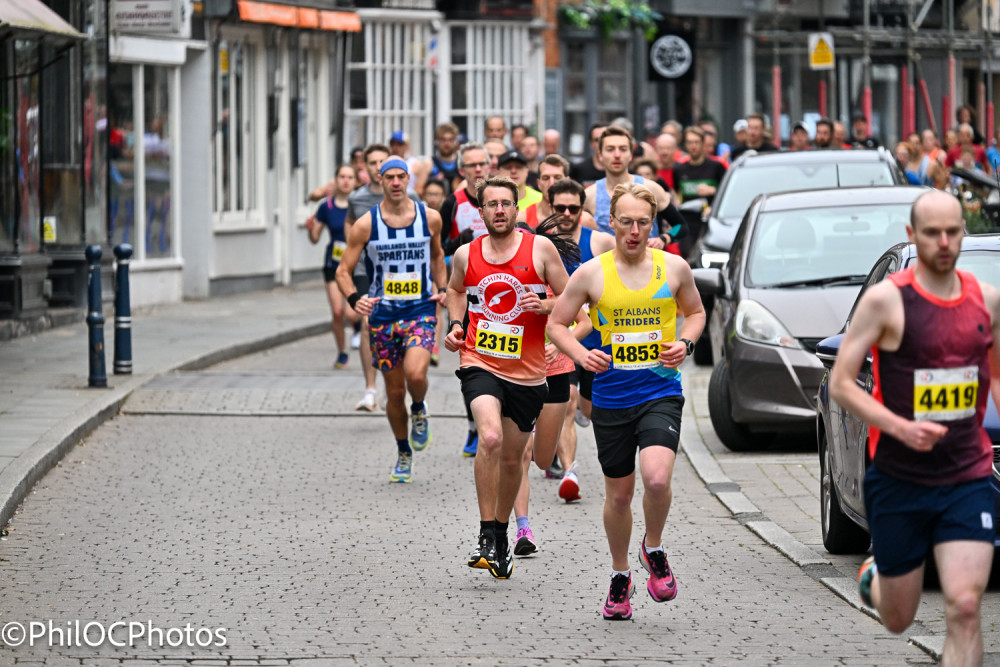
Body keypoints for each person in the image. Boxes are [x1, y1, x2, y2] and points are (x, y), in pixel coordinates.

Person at [829, 189, 1000, 665]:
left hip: (967, 475)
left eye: (952, 231)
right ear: (912, 235)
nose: (943, 242)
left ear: (963, 232)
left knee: (965, 607)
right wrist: (899, 427)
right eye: (931, 233)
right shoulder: (886, 302)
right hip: (900, 478)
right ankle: (876, 579)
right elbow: (842, 384)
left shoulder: (988, 302)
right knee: (899, 618)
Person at [547, 182, 706, 621]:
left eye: (643, 222)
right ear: (610, 222)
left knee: (656, 479)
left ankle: (652, 547)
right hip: (612, 399)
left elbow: (695, 313)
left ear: (651, 224)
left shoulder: (673, 268)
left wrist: (686, 345)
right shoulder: (591, 273)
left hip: (660, 391)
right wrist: (581, 354)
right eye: (626, 221)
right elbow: (557, 326)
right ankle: (621, 576)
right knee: (619, 495)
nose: (634, 230)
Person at [444, 175, 570, 579]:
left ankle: (501, 534)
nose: (499, 210)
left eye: (506, 204)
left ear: (517, 209)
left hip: (529, 372)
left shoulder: (541, 250)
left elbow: (572, 305)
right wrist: (456, 324)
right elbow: (455, 290)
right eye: (491, 204)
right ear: (480, 211)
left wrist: (544, 307)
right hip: (479, 360)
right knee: (492, 437)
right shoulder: (467, 253)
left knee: (516, 457)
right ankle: (485, 533)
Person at [336, 158, 448, 483]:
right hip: (383, 315)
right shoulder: (366, 224)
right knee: (394, 390)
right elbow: (343, 270)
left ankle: (420, 407)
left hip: (419, 310)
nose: (396, 182)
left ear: (409, 179)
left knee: (415, 374)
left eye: (401, 177)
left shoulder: (430, 218)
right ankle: (403, 451)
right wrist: (356, 300)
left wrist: (440, 288)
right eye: (390, 177)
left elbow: (438, 256)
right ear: (380, 181)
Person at [547, 177, 615, 503]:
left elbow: (629, 266)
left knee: (588, 409)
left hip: (597, 339)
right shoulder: (541, 244)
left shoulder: (600, 242)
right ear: (551, 207)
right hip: (563, 338)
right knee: (568, 403)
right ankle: (570, 471)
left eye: (573, 208)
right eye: (559, 207)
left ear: (581, 209)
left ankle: (585, 416)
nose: (566, 213)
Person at [347, 144, 423, 411]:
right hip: (366, 271)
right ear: (370, 169)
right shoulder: (357, 199)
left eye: (397, 174)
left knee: (404, 343)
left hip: (405, 275)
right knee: (368, 324)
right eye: (374, 163)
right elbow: (350, 229)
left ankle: (404, 383)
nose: (393, 180)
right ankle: (370, 387)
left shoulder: (412, 198)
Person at [440, 142, 491, 456]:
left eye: (481, 164)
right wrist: (463, 241)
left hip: (500, 293)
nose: (477, 170)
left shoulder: (500, 198)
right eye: (471, 165)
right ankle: (474, 427)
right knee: (470, 362)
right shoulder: (453, 203)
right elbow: (441, 250)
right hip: (465, 294)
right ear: (462, 170)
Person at [584, 126, 686, 252]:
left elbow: (681, 225)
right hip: (608, 268)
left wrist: (663, 239)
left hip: (648, 267)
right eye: (610, 149)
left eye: (623, 149)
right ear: (600, 155)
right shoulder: (589, 195)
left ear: (631, 154)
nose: (617, 155)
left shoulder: (651, 188)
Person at [305, 164, 358, 369]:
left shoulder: (359, 205)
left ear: (355, 182)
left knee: (351, 313)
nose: (345, 181)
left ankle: (359, 327)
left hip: (356, 265)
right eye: (342, 177)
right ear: (335, 180)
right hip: (333, 265)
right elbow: (315, 238)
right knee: (337, 312)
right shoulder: (326, 207)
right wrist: (311, 229)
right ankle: (342, 352)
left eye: (350, 177)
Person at [517, 154, 596, 230]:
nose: (552, 183)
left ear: (567, 181)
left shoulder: (585, 221)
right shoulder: (522, 218)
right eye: (546, 178)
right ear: (538, 183)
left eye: (557, 177)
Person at [673, 126, 727, 206]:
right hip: (687, 216)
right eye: (690, 142)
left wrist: (713, 190)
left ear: (703, 143)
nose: (693, 146)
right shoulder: (678, 169)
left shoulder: (716, 167)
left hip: (710, 215)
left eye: (696, 142)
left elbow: (728, 191)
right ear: (685, 145)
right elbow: (675, 193)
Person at [413, 122, 462, 197]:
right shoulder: (429, 164)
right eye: (443, 140)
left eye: (450, 140)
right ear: (437, 140)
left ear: (455, 140)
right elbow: (418, 191)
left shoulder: (462, 163)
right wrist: (433, 184)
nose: (447, 143)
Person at [570, 122, 607, 187]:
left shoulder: (622, 171)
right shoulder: (578, 170)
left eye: (604, 138)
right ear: (591, 144)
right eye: (597, 140)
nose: (601, 143)